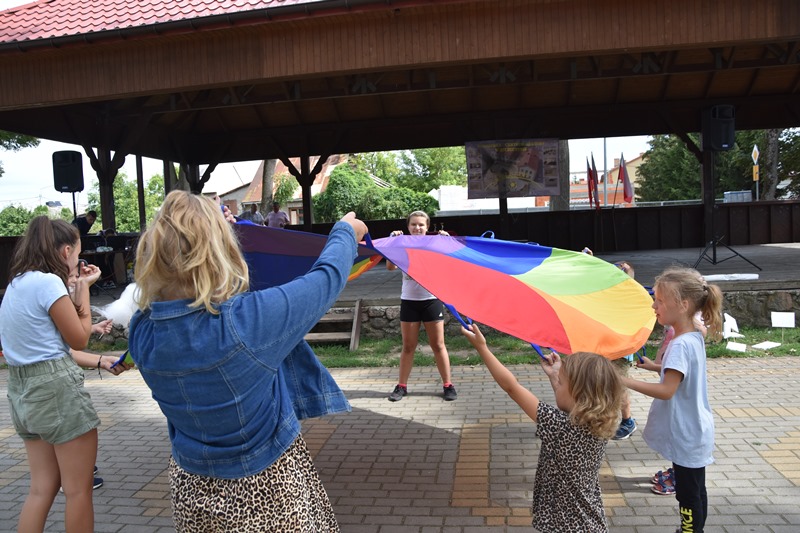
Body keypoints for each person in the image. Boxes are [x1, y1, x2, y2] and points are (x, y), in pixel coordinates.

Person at [127, 190, 367, 531]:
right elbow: (326, 278)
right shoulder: (247, 322)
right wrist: (345, 232)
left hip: (189, 489)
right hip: (268, 490)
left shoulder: (142, 331)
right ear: (220, 250)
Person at [461, 323, 623, 532]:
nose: (557, 384)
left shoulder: (561, 426)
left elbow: (512, 387)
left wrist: (482, 348)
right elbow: (568, 403)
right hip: (588, 521)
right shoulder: (597, 422)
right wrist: (555, 376)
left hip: (566, 526)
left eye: (561, 383)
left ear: (579, 396)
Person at [0, 216, 102, 532]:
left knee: (41, 489)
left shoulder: (17, 283)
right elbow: (79, 338)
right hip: (56, 390)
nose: (77, 262)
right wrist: (84, 290)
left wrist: (76, 287)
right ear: (66, 251)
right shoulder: (48, 283)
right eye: (77, 255)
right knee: (78, 491)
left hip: (22, 390)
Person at [623, 267, 722, 533]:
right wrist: (655, 366)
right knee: (696, 489)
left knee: (688, 495)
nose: (654, 306)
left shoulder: (679, 344)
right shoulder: (692, 336)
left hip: (686, 433)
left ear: (683, 305)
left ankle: (691, 530)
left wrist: (623, 381)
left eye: (659, 300)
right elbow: (680, 372)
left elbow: (667, 390)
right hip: (696, 428)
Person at [386, 210, 457, 402]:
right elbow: (390, 267)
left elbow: (451, 261)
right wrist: (392, 243)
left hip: (431, 300)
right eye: (413, 224)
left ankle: (448, 385)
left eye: (421, 225)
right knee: (408, 346)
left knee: (438, 345)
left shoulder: (435, 245)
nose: (417, 228)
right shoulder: (402, 244)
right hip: (409, 301)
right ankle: (401, 386)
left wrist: (447, 241)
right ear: (408, 227)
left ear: (427, 227)